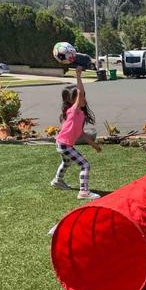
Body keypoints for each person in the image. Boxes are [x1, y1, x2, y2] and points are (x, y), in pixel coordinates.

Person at [51, 66, 102, 200]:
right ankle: (83, 192)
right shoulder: (73, 111)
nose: (82, 98)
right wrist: (78, 75)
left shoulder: (80, 114)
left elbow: (81, 133)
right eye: (79, 97)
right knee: (85, 165)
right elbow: (80, 92)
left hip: (63, 144)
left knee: (66, 163)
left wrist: (93, 145)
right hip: (64, 145)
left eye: (83, 97)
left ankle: (57, 181)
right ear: (72, 101)